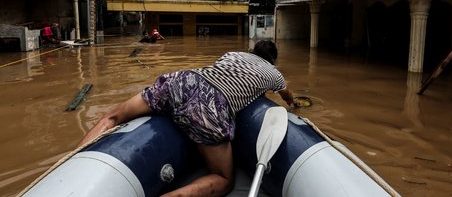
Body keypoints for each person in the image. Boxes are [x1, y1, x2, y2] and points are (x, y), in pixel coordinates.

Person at [77, 40, 299, 196]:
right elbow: (286, 95)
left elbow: (222, 71)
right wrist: (294, 104)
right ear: (273, 60)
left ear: (252, 50)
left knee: (113, 116)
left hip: (183, 79)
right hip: (211, 105)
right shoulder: (274, 73)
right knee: (224, 180)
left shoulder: (233, 54)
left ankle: (74, 162)